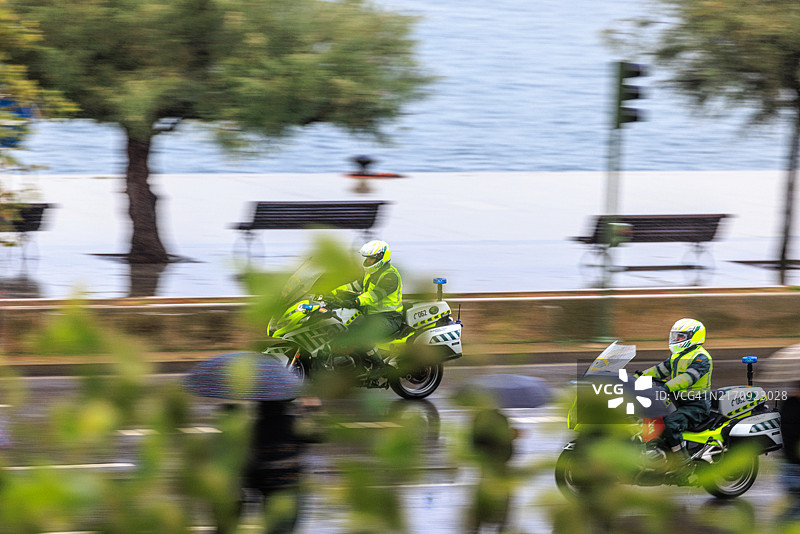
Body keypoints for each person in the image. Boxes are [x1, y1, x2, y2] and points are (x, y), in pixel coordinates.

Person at [640, 318, 713, 472]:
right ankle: (651, 449)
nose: (676, 339)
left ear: (693, 337)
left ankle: (683, 465)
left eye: (680, 336)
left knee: (671, 423)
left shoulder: (701, 358)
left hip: (696, 405)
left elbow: (687, 378)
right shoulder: (676, 356)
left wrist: (666, 387)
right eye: (676, 336)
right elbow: (659, 370)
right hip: (679, 401)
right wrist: (636, 378)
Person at [330, 240, 404, 379]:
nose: (368, 261)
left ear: (381, 258)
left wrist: (356, 301)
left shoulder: (390, 276)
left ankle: (379, 367)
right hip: (371, 316)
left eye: (371, 259)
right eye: (367, 258)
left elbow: (375, 295)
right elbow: (354, 286)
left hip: (389, 318)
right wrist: (333, 292)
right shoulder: (371, 273)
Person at [779, 381, 800, 523]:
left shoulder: (786, 404)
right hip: (796, 466)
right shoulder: (795, 409)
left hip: (787, 465)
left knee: (793, 509)